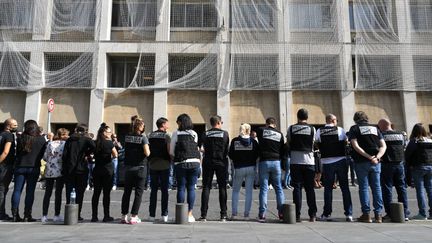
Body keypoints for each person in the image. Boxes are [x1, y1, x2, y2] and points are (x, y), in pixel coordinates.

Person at [348, 111, 386, 223]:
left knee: (364, 188)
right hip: (376, 162)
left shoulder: (354, 128)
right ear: (367, 118)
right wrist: (377, 157)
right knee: (377, 187)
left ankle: (366, 214)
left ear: (355, 119)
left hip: (361, 162)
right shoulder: (375, 128)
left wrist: (368, 157)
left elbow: (355, 145)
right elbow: (383, 145)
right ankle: (378, 214)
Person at [316, 114, 353, 222]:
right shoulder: (340, 130)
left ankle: (327, 213)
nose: (337, 121)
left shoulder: (320, 131)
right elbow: (346, 142)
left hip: (327, 162)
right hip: (341, 160)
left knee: (327, 189)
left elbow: (317, 144)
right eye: (336, 119)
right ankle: (349, 214)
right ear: (333, 120)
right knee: (345, 188)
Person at [287, 109, 318, 222]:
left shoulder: (291, 128)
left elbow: (289, 142)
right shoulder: (312, 129)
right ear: (307, 117)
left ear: (297, 116)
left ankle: (297, 215)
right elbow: (314, 142)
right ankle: (312, 214)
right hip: (309, 161)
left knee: (297, 188)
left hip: (295, 161)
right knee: (310, 189)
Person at [12, 120, 47, 222]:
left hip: (20, 166)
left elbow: (17, 152)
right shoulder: (41, 139)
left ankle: (15, 214)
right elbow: (42, 154)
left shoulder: (21, 138)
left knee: (17, 190)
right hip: (34, 167)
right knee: (30, 191)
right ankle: (27, 215)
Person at [170, 113, 201, 223]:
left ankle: (180, 215)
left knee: (181, 188)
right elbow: (194, 146)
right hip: (195, 162)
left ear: (180, 122)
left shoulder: (176, 133)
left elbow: (171, 151)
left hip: (181, 163)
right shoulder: (194, 133)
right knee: (191, 188)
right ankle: (190, 214)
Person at [377, 118, 410, 221]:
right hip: (400, 164)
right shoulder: (401, 134)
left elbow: (379, 148)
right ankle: (404, 213)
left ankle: (390, 213)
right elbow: (404, 147)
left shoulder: (382, 135)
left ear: (382, 126)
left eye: (379, 126)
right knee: (401, 189)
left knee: (387, 189)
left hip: (387, 164)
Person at [62, 123, 96, 221]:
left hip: (69, 169)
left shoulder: (69, 139)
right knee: (80, 192)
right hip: (81, 168)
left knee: (69, 191)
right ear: (86, 131)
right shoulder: (86, 139)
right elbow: (94, 147)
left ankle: (69, 213)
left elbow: (64, 155)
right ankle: (77, 214)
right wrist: (87, 153)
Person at [199, 115, 230, 222]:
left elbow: (201, 147)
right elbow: (227, 148)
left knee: (206, 187)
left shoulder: (205, 133)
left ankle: (203, 215)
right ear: (219, 122)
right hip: (221, 161)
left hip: (208, 161)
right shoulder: (225, 134)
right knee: (222, 187)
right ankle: (223, 215)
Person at [121, 117, 150, 224]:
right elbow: (147, 153)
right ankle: (134, 216)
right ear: (139, 127)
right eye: (142, 125)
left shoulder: (127, 137)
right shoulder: (143, 138)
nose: (143, 127)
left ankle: (124, 215)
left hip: (128, 167)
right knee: (138, 193)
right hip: (140, 168)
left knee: (126, 192)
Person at [256, 117, 285, 222]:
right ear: (275, 124)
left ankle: (262, 214)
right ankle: (281, 213)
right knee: (279, 188)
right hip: (276, 161)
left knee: (264, 189)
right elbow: (282, 149)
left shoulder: (261, 130)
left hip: (264, 161)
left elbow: (257, 133)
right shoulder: (280, 134)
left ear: (266, 124)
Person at [229, 123, 259, 220]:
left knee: (236, 191)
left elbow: (230, 155)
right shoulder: (253, 142)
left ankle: (234, 214)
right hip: (251, 167)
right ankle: (246, 214)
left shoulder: (235, 141)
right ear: (249, 130)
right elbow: (257, 155)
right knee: (249, 191)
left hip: (239, 168)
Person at [405, 123, 432, 220]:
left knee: (420, 190)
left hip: (418, 167)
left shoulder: (414, 141)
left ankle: (422, 213)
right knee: (430, 190)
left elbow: (407, 155)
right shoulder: (429, 140)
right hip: (430, 166)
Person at [41, 128, 69, 223]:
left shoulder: (50, 143)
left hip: (49, 169)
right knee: (58, 193)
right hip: (60, 170)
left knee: (47, 193)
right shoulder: (65, 144)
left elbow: (45, 157)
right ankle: (56, 215)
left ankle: (44, 215)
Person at [91, 124, 118, 222]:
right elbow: (115, 155)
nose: (110, 134)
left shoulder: (95, 143)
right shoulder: (109, 143)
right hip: (107, 170)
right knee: (106, 194)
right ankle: (106, 216)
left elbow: (91, 154)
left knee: (96, 193)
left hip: (97, 169)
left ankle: (94, 216)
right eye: (109, 132)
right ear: (104, 133)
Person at [148, 117, 171, 222]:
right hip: (164, 164)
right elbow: (169, 150)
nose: (168, 125)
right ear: (163, 124)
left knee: (153, 190)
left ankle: (151, 214)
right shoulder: (167, 135)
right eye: (167, 123)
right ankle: (164, 214)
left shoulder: (150, 135)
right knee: (164, 190)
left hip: (153, 164)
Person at [0, 118, 18, 221]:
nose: (16, 127)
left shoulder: (1, 134)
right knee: (2, 190)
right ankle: (1, 213)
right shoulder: (9, 136)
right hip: (5, 166)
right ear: (8, 126)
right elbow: (6, 152)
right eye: (14, 125)